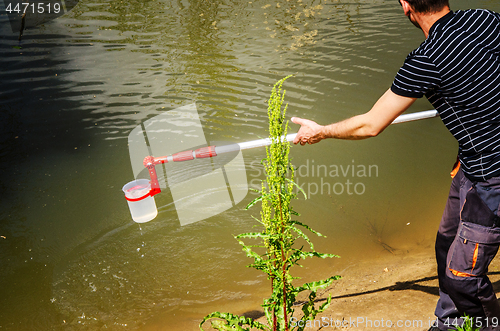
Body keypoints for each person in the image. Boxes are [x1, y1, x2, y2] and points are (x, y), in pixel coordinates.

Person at [290, 1, 500, 330]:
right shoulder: (485, 20)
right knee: (447, 242)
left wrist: (322, 131)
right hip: (471, 163)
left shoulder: (426, 59)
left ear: (406, 7)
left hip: (492, 179)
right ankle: (450, 320)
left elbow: (371, 124)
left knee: (462, 276)